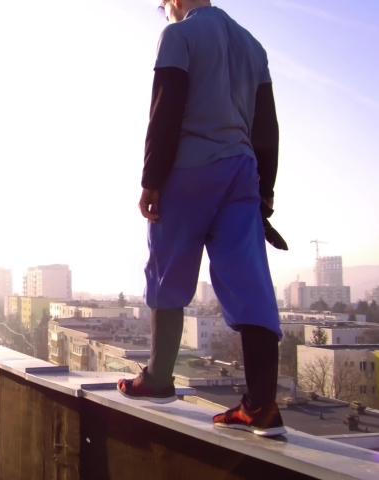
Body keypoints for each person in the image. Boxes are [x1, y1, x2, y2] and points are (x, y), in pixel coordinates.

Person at [116, 0, 286, 438]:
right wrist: (263, 192)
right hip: (242, 173)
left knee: (167, 270)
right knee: (250, 283)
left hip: (189, 170)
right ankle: (262, 406)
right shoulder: (253, 46)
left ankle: (157, 379)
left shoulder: (179, 35)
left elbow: (166, 109)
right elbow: (267, 128)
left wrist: (152, 179)